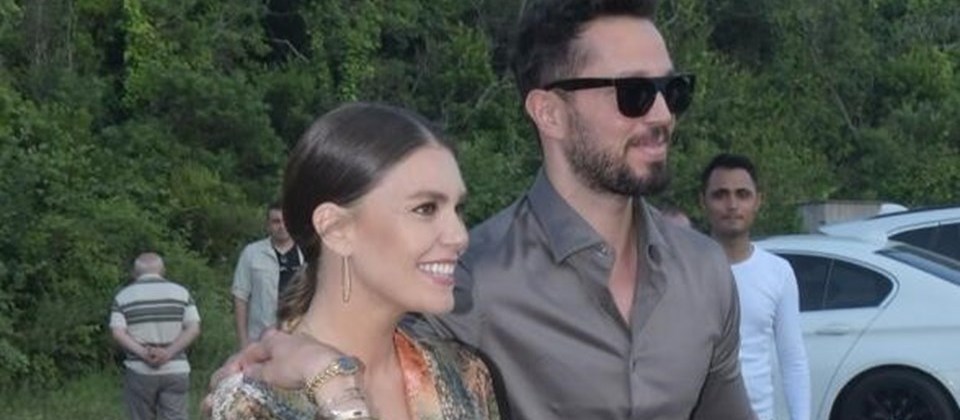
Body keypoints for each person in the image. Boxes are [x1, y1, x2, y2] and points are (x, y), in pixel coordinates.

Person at [210, 1, 755, 418]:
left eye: (673, 90)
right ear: (549, 112)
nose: (661, 114)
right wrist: (301, 361)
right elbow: (356, 328)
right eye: (634, 93)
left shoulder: (704, 271)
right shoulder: (468, 281)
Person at [209, 102, 501, 419]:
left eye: (458, 209)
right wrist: (329, 381)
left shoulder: (464, 377)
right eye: (426, 208)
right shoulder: (254, 402)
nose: (459, 236)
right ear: (336, 229)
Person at [700, 153, 811, 420]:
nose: (732, 204)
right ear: (702, 201)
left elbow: (793, 361)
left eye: (742, 194)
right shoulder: (682, 268)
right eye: (720, 195)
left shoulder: (778, 272)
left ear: (758, 201)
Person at [109, 252, 201, 420]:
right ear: (163, 271)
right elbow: (193, 328)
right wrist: (168, 353)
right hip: (176, 368)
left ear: (135, 273)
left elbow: (118, 332)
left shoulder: (123, 297)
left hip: (139, 370)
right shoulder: (182, 293)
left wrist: (143, 353)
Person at [231, 201, 303, 347]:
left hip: (299, 339)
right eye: (276, 221)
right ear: (268, 225)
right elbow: (240, 298)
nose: (282, 226)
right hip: (260, 339)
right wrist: (243, 343)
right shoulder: (252, 253)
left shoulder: (307, 253)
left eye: (286, 221)